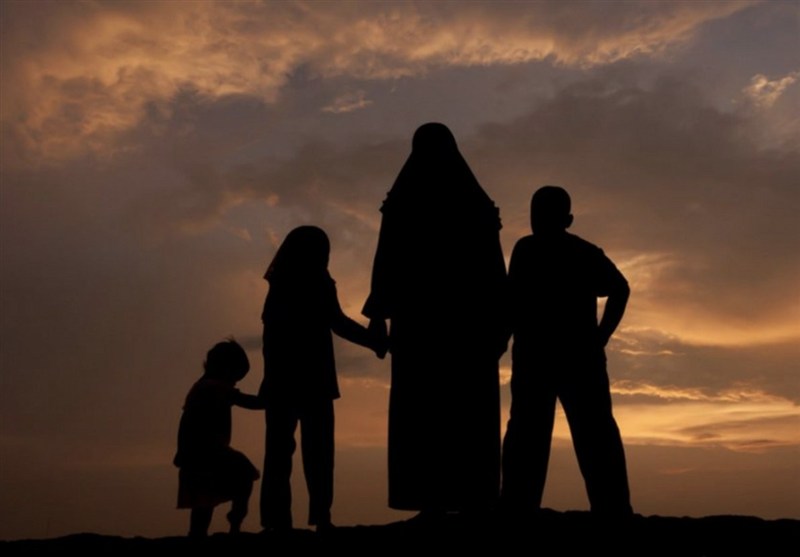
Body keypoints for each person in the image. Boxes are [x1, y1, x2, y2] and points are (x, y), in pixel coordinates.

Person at [363, 123, 507, 518]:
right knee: (450, 410)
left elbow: (386, 261)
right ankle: (450, 497)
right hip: (453, 326)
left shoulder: (406, 203)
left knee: (432, 411)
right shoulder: (470, 204)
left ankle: (446, 498)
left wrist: (378, 316)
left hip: (435, 325)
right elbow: (493, 270)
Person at [501, 185, 633, 518]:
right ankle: (611, 510)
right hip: (564, 356)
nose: (537, 220)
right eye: (536, 214)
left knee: (542, 432)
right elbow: (619, 288)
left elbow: (511, 303)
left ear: (567, 219)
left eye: (542, 214)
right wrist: (600, 337)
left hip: (548, 357)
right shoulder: (578, 252)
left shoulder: (531, 250)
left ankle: (520, 508)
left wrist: (601, 336)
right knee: (585, 433)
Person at [260, 225, 387, 532]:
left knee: (279, 453)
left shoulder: (280, 284)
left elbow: (271, 338)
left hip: (282, 380)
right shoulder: (318, 281)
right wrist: (375, 342)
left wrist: (270, 378)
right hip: (314, 379)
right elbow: (337, 322)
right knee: (318, 453)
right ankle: (320, 517)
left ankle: (277, 521)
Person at [174, 339, 263, 537]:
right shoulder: (215, 388)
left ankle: (198, 534)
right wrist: (271, 399)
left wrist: (181, 450)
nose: (235, 384)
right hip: (209, 452)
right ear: (226, 369)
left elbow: (185, 422)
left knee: (203, 502)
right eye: (235, 378)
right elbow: (250, 402)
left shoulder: (199, 388)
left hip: (196, 454)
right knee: (244, 475)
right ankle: (235, 522)